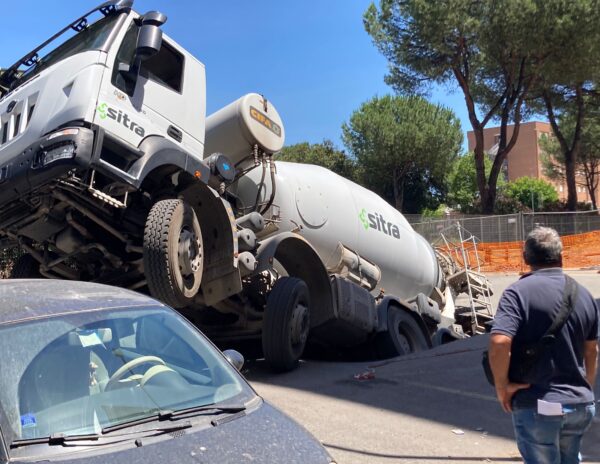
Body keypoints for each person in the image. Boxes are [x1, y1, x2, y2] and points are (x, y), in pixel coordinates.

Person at [489, 226, 599, 464]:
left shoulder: (516, 294)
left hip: (540, 405)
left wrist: (502, 387)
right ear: (561, 257)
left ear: (526, 258)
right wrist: (585, 389)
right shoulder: (584, 295)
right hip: (579, 406)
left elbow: (499, 342)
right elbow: (592, 350)